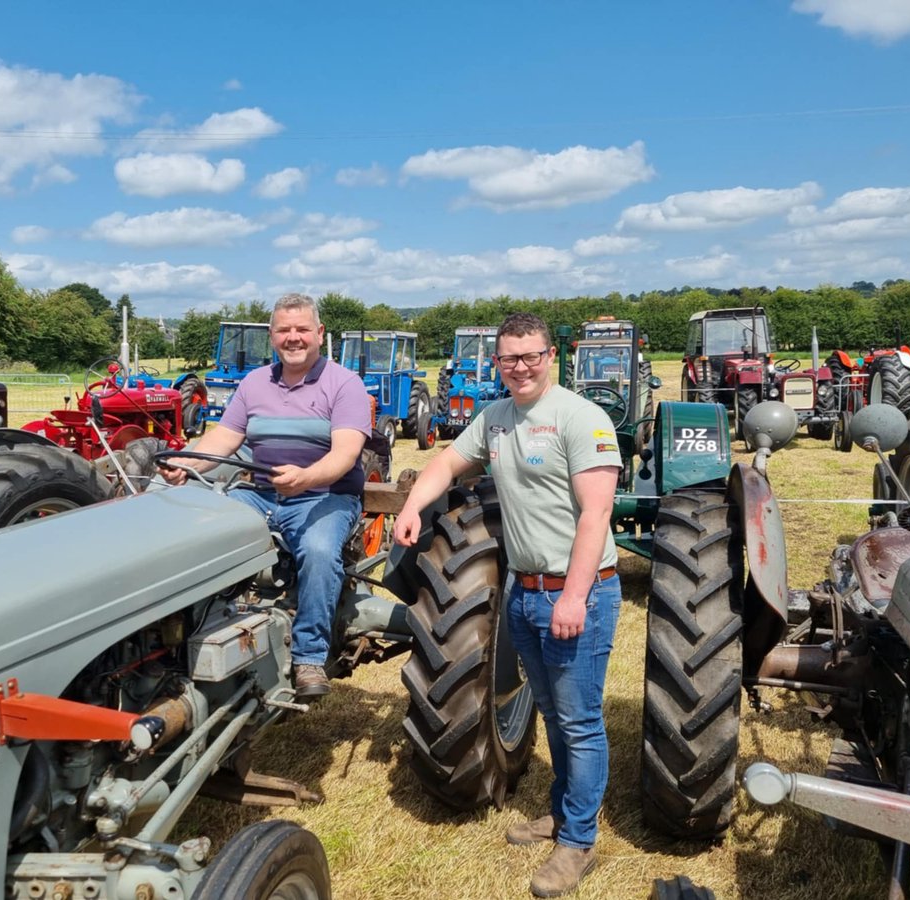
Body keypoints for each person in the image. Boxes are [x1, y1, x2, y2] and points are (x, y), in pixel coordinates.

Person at [393, 312, 622, 898]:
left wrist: (573, 595)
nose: (519, 367)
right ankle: (563, 813)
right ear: (497, 362)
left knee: (579, 718)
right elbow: (446, 462)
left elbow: (596, 514)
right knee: (549, 710)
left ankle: (577, 843)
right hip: (523, 591)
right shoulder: (496, 418)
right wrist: (413, 506)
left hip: (578, 592)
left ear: (551, 356)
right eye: (508, 358)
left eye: (530, 356)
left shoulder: (580, 417)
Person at [162, 293, 370, 698]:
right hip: (259, 494)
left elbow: (345, 454)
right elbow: (225, 437)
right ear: (272, 336)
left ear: (319, 333)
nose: (294, 337)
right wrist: (187, 464)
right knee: (199, 530)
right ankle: (196, 633)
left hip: (323, 496)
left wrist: (306, 478)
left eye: (302, 329)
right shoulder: (255, 382)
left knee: (320, 550)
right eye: (284, 330)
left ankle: (309, 657)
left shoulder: (344, 384)